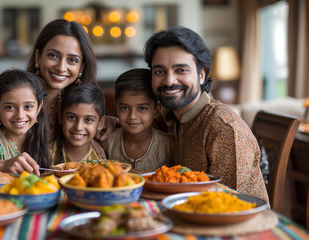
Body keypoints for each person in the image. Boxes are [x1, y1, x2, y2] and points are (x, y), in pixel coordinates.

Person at [0, 19, 97, 175]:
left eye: (72, 60)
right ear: (38, 57)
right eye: (53, 55)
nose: (61, 67)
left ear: (81, 67)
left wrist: (112, 123)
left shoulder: (75, 106)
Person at [143, 26, 269, 201]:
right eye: (159, 72)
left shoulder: (224, 130)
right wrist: (112, 122)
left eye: (181, 70)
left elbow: (236, 206)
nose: (169, 81)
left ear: (201, 75)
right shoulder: (169, 116)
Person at [0, 69, 52, 170]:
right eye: (10, 107)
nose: (20, 115)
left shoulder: (40, 136)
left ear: (38, 107)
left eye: (28, 106)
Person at [100, 69, 172, 171]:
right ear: (116, 107)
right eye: (124, 108)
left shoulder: (169, 145)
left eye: (142, 108)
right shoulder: (106, 142)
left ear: (156, 110)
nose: (132, 116)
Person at [50, 83, 106, 164]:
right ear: (60, 117)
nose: (78, 127)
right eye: (72, 117)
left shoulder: (101, 161)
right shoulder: (46, 155)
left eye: (88, 120)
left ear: (100, 123)